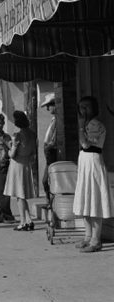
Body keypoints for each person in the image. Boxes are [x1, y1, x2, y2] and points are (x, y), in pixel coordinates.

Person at [73, 96, 114, 253]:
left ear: (94, 108)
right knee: (85, 197)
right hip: (85, 161)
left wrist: (81, 128)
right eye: (81, 107)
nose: (83, 110)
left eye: (87, 107)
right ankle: (88, 236)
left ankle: (96, 239)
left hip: (93, 161)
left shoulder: (95, 125)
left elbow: (86, 144)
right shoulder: (86, 124)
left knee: (94, 198)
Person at [3, 111, 37, 232]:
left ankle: (22, 222)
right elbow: (34, 152)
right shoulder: (32, 134)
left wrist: (9, 148)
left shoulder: (17, 135)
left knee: (19, 195)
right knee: (22, 195)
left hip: (17, 165)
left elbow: (12, 154)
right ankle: (29, 220)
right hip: (27, 163)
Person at [40, 93, 57, 197]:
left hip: (52, 152)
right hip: (49, 152)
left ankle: (51, 202)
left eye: (48, 105)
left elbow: (54, 139)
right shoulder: (54, 119)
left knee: (47, 180)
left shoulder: (57, 120)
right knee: (46, 181)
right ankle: (49, 202)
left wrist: (49, 146)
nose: (47, 108)